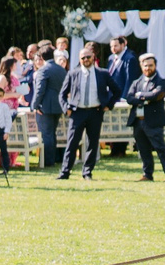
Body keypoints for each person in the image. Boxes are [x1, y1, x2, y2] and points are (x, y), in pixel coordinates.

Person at [60, 46, 114, 180]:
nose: (86, 59)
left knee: (92, 143)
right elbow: (62, 94)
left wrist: (109, 104)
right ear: (79, 59)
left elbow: (116, 90)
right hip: (77, 112)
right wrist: (66, 107)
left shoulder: (103, 74)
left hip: (95, 112)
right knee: (72, 143)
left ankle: (87, 172)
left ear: (93, 57)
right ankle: (65, 172)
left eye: (88, 57)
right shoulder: (73, 74)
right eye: (83, 57)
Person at [126, 53, 165, 182]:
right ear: (141, 67)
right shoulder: (137, 82)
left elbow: (156, 95)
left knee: (160, 148)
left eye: (150, 65)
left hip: (153, 121)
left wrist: (140, 95)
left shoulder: (161, 81)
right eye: (145, 66)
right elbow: (129, 98)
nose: (148, 68)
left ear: (155, 66)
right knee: (143, 150)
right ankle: (147, 174)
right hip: (138, 121)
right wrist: (144, 98)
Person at [32, 44, 67, 176]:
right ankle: (53, 159)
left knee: (46, 134)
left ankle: (48, 161)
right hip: (58, 105)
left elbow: (40, 90)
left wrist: (35, 106)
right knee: (52, 133)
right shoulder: (61, 70)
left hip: (45, 107)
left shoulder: (43, 70)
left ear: (41, 56)